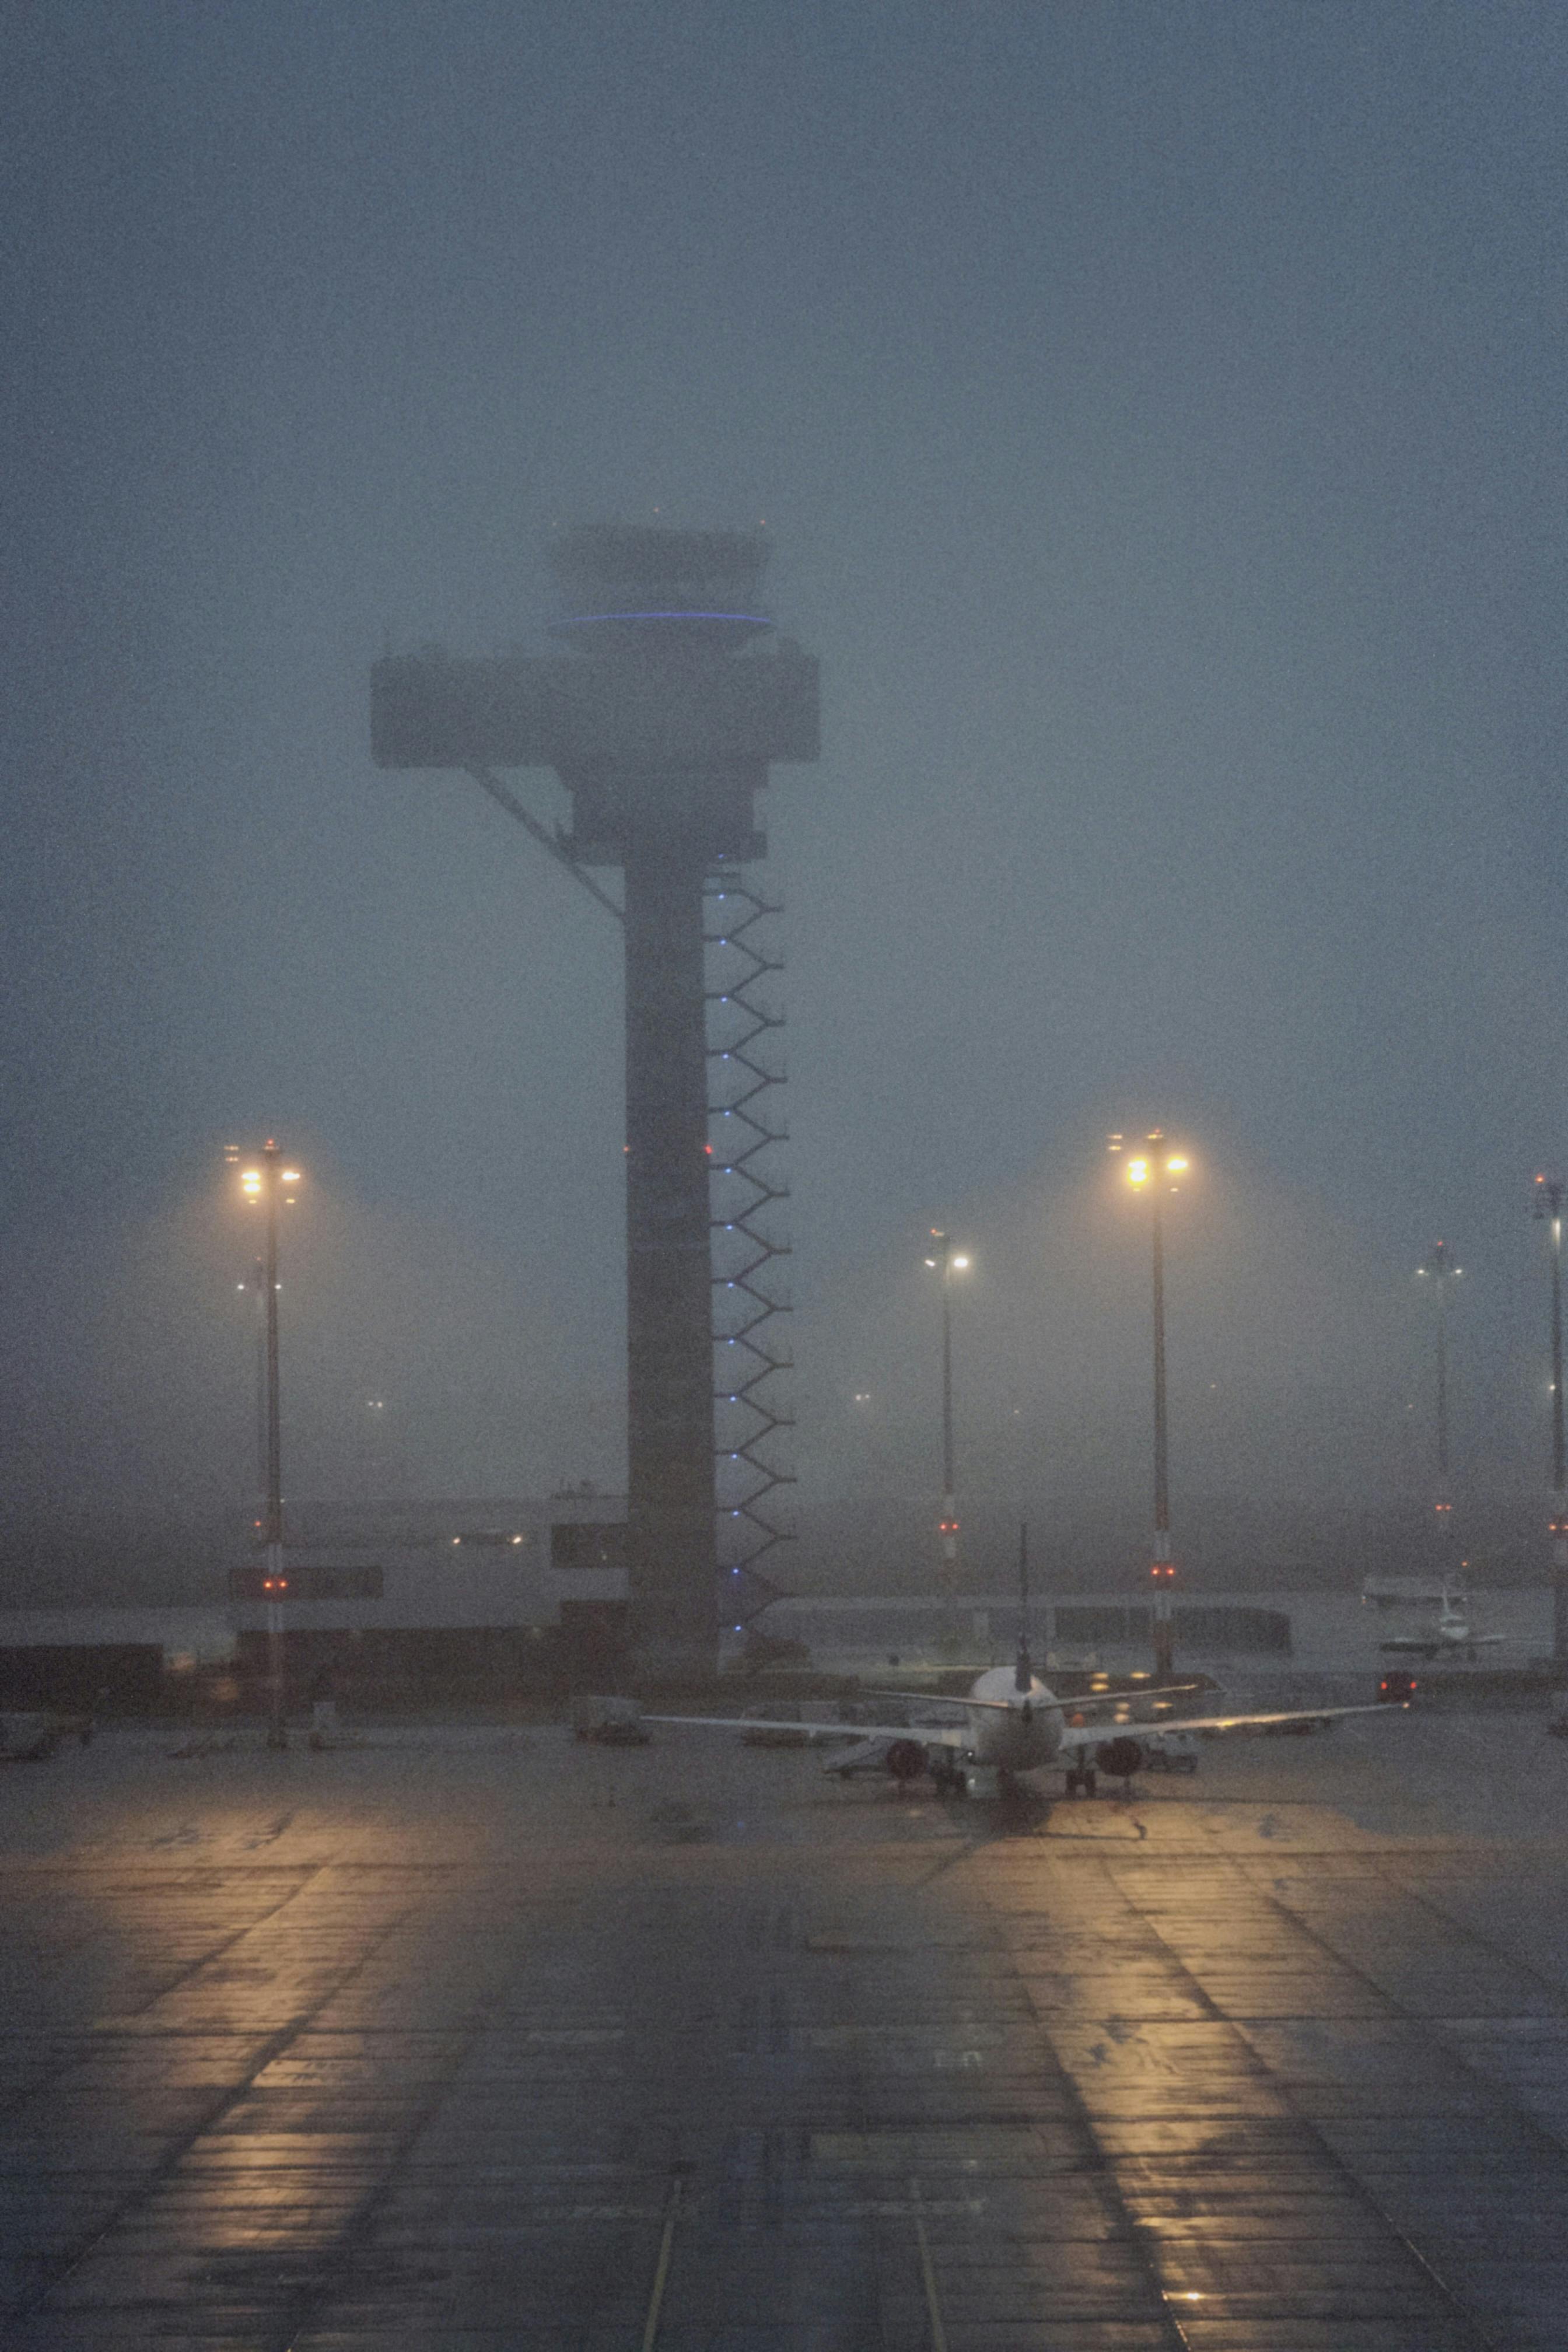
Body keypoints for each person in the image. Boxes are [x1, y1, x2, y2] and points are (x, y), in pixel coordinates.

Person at [307, 1660, 339, 1750]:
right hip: (324, 1701)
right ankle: (322, 1740)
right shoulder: (324, 1679)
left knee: (320, 1722)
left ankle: (319, 1740)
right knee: (325, 1721)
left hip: (322, 1701)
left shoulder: (318, 1679)